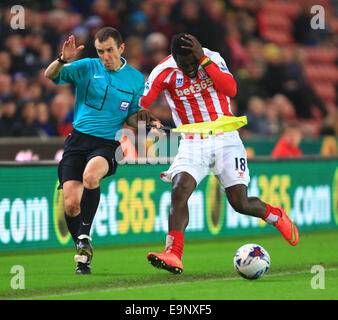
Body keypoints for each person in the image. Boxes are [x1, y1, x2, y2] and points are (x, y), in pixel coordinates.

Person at [140, 33, 299, 275]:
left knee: (240, 203)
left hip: (226, 138)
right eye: (185, 66)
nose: (191, 70)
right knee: (179, 189)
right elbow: (142, 103)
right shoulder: (163, 72)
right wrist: (146, 117)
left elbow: (231, 89)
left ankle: (275, 215)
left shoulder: (211, 59)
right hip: (192, 142)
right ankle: (173, 253)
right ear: (174, 59)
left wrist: (202, 59)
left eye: (193, 63)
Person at [45, 27, 155, 274]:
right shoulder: (86, 67)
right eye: (101, 51)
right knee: (71, 205)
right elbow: (50, 75)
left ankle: (84, 235)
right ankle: (82, 252)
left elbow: (132, 117)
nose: (105, 56)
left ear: (121, 48)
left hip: (108, 143)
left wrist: (145, 120)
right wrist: (63, 59)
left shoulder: (136, 79)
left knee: (91, 176)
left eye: (110, 50)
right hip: (77, 141)